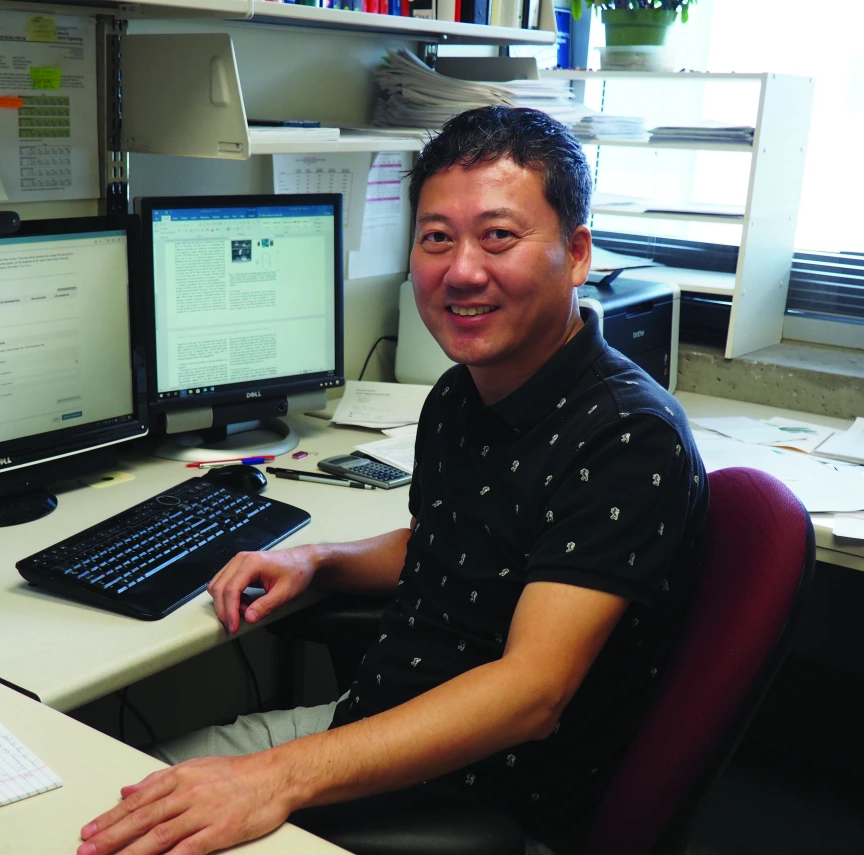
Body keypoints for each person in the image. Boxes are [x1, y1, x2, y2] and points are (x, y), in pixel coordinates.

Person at [76, 105, 709, 855]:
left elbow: (531, 694)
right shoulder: (463, 391)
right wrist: (318, 559)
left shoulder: (627, 438)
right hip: (370, 726)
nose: (462, 269)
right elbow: (450, 546)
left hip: (473, 796)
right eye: (437, 238)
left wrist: (276, 778)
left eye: (499, 236)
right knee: (101, 790)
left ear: (575, 254)